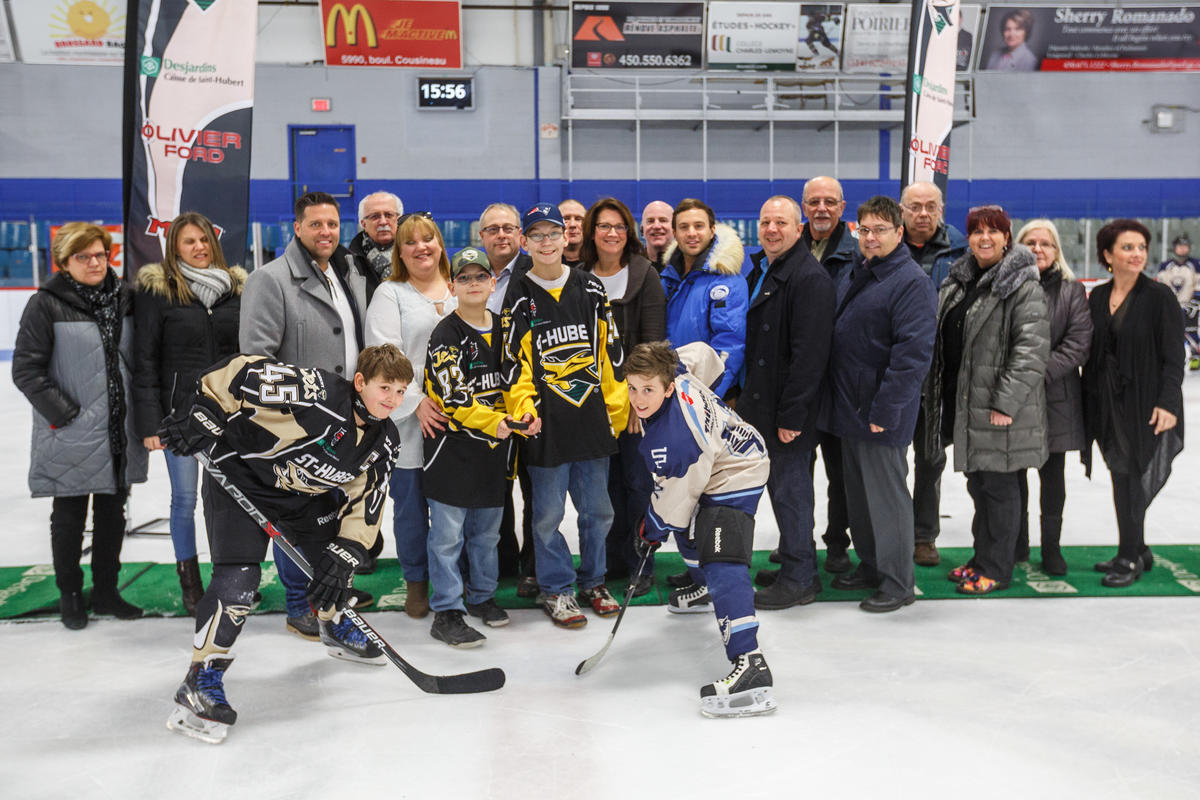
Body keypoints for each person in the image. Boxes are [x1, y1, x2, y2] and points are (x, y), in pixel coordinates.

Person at [160, 345, 410, 743]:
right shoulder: (317, 393)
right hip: (238, 476)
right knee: (238, 582)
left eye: (400, 391)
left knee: (334, 566)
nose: (392, 399)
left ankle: (334, 624)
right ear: (361, 382)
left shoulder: (385, 441)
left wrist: (348, 549)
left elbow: (368, 500)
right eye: (385, 388)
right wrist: (206, 411)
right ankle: (200, 678)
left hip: (301, 497)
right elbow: (244, 370)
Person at [241, 192, 374, 640]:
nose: (326, 232)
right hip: (296, 426)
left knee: (331, 513)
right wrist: (284, 421)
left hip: (344, 419)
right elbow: (256, 362)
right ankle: (300, 602)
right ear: (296, 228)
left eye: (332, 224)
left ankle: (331, 590)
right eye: (316, 224)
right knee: (298, 516)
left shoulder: (347, 273)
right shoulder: (269, 280)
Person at [12, 222, 149, 629]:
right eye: (83, 256)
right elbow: (26, 369)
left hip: (117, 430)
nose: (94, 263)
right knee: (69, 515)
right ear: (64, 261)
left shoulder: (126, 299)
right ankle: (70, 593)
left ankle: (106, 591)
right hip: (70, 430)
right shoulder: (46, 304)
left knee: (112, 513)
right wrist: (66, 413)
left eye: (100, 254)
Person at [628, 341, 774, 718]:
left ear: (667, 387)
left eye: (648, 389)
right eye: (633, 388)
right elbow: (704, 354)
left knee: (722, 555)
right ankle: (704, 587)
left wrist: (650, 530)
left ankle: (750, 662)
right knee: (689, 526)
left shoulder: (676, 441)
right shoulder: (676, 370)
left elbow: (675, 499)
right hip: (722, 452)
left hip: (738, 470)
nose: (638, 399)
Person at [499, 202, 626, 628]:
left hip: (591, 421)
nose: (546, 241)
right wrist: (524, 411)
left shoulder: (590, 288)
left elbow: (610, 353)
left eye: (553, 233)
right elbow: (513, 364)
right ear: (524, 242)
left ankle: (594, 581)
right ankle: (556, 588)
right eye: (537, 235)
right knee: (547, 517)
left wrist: (615, 412)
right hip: (545, 426)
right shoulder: (518, 295)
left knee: (598, 511)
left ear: (567, 236)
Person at [921, 205, 1050, 595]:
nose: (985, 238)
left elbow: (1031, 351)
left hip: (999, 410)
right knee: (980, 487)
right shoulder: (960, 282)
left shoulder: (1022, 286)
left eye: (993, 231)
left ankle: (997, 567)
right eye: (977, 231)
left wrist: (1005, 403)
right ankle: (982, 558)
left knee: (999, 490)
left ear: (1007, 238)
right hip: (967, 407)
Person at [821, 197, 937, 612]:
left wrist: (886, 410)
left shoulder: (910, 282)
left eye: (880, 230)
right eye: (864, 230)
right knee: (861, 498)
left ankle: (898, 581)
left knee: (887, 499)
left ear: (899, 233)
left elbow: (912, 356)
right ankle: (872, 565)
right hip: (851, 407)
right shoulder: (862, 272)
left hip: (880, 411)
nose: (870, 238)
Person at [133, 212, 245, 615]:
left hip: (229, 417)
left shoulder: (235, 289)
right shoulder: (159, 292)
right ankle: (191, 583)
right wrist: (151, 423)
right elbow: (145, 360)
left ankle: (229, 579)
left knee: (228, 501)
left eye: (203, 240)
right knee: (184, 500)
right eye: (189, 241)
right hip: (179, 418)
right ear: (174, 248)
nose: (199, 247)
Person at [423, 248, 530, 647]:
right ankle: (447, 610)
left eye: (480, 276)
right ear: (452, 287)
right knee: (447, 537)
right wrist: (496, 422)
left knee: (486, 534)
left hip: (493, 452)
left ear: (492, 282)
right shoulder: (445, 335)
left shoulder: (506, 327)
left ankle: (482, 596)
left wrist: (526, 413)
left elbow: (520, 379)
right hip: (451, 452)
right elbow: (453, 397)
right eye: (464, 278)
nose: (473, 284)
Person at [741, 195, 834, 610]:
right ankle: (797, 565)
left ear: (800, 229)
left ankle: (799, 578)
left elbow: (810, 356)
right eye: (765, 222)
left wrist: (792, 416)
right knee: (782, 492)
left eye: (781, 222)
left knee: (792, 495)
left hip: (787, 412)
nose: (772, 229)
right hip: (762, 405)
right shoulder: (765, 268)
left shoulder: (809, 278)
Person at [364, 212, 457, 619]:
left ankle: (457, 577)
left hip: (461, 418)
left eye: (428, 239)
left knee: (457, 506)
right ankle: (416, 581)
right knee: (411, 508)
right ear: (399, 253)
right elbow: (384, 356)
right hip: (410, 422)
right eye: (410, 242)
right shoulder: (391, 293)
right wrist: (416, 401)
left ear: (440, 244)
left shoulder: (460, 287)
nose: (421, 247)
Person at [1083, 220, 1185, 588]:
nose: (1137, 254)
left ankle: (1129, 557)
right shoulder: (1097, 297)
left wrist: (1168, 404)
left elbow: (1174, 357)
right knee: (1120, 475)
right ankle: (1138, 547)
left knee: (1132, 477)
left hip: (1145, 404)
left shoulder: (1159, 298)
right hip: (1105, 403)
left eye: (1142, 247)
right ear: (1108, 255)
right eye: (1128, 247)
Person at [579, 197, 666, 596]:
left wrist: (637, 401)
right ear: (592, 232)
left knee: (637, 485)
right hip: (591, 405)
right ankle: (611, 558)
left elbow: (652, 344)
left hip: (634, 406)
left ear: (628, 232)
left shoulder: (644, 273)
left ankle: (641, 563)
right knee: (603, 486)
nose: (611, 233)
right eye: (604, 226)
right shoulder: (579, 275)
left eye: (618, 226)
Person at [1013, 220, 1092, 575]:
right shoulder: (1007, 286)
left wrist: (1033, 373)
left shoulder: (1072, 291)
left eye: (1046, 243)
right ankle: (1017, 544)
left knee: (1052, 476)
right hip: (1015, 398)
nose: (1038, 249)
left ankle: (1051, 548)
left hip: (1056, 397)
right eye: (1030, 242)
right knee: (1014, 473)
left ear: (1057, 250)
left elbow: (1078, 344)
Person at [900, 181, 968, 567]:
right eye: (915, 207)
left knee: (930, 460)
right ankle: (891, 531)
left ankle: (924, 535)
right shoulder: (885, 247)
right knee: (890, 461)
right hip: (895, 376)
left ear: (941, 210)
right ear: (902, 210)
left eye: (930, 206)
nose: (923, 213)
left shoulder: (961, 251)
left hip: (938, 377)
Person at [799, 175, 859, 573]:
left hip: (840, 384)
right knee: (796, 473)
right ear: (804, 206)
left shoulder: (858, 255)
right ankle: (797, 542)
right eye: (814, 201)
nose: (822, 208)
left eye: (830, 202)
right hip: (800, 385)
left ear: (842, 207)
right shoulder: (787, 248)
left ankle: (837, 543)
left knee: (841, 474)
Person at [479, 202, 537, 594]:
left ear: (520, 235)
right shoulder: (471, 274)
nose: (501, 235)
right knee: (494, 487)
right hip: (488, 401)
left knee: (536, 488)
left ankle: (533, 566)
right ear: (481, 236)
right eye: (492, 229)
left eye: (508, 228)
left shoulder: (536, 272)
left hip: (530, 397)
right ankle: (503, 562)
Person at [660, 198, 748, 399]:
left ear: (712, 230)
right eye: (684, 227)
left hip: (708, 396)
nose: (691, 233)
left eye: (699, 226)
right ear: (674, 233)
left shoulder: (726, 280)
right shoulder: (667, 279)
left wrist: (704, 397)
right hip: (671, 390)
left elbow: (729, 345)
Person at [347, 190, 403, 297]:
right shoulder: (349, 263)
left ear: (399, 220)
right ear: (364, 224)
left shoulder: (415, 254)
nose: (383, 222)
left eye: (389, 215)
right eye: (375, 216)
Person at [640, 200, 675, 270]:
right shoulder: (630, 267)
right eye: (650, 221)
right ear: (642, 230)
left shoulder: (688, 265)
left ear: (674, 228)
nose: (656, 226)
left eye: (663, 220)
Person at [559, 199, 587, 268]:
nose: (572, 224)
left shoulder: (599, 262)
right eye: (566, 219)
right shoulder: (541, 263)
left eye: (578, 219)